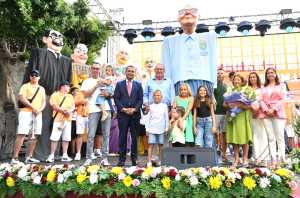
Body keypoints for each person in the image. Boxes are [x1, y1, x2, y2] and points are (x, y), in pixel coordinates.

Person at [23, 29, 72, 161]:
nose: (58, 39)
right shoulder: (38, 53)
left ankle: (54, 154)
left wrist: (69, 101)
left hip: (60, 98)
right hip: (42, 96)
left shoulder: (67, 60)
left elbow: (69, 81)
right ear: (45, 39)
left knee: (58, 126)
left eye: (60, 36)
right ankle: (39, 155)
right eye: (54, 35)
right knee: (40, 126)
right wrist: (27, 97)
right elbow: (30, 74)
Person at [162, 5, 217, 96]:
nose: (187, 13)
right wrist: (168, 87)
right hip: (180, 83)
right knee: (182, 109)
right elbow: (166, 65)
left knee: (203, 108)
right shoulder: (169, 41)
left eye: (193, 11)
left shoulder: (209, 38)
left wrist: (213, 87)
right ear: (178, 19)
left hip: (203, 82)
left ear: (199, 17)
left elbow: (213, 62)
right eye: (183, 12)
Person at [11, 69, 46, 164]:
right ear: (30, 76)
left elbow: (44, 102)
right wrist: (33, 108)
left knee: (34, 135)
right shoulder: (25, 86)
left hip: (37, 113)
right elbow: (21, 98)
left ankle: (29, 156)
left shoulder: (42, 88)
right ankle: (15, 158)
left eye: (36, 75)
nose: (34, 76)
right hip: (26, 112)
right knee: (22, 133)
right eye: (32, 75)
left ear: (39, 77)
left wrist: (39, 110)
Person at [81, 63, 110, 165]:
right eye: (93, 68)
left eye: (97, 68)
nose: (95, 70)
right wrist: (96, 85)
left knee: (106, 135)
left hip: (106, 109)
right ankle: (88, 158)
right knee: (91, 135)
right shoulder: (86, 81)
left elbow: (111, 94)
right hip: (93, 109)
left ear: (100, 70)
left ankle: (104, 158)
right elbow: (85, 95)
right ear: (91, 69)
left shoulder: (105, 80)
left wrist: (108, 93)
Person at [114, 65, 143, 166]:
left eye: (132, 71)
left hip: (135, 115)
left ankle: (134, 159)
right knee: (122, 137)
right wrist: (123, 109)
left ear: (134, 73)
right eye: (129, 71)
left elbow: (140, 99)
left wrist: (135, 109)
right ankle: (122, 160)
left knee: (134, 138)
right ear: (125, 73)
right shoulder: (119, 84)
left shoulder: (138, 85)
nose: (130, 73)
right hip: (123, 115)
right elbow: (116, 99)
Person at [224, 74, 253, 168]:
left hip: (242, 116)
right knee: (234, 139)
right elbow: (224, 104)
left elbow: (250, 105)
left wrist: (240, 105)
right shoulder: (230, 91)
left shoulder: (247, 91)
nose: (236, 81)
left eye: (238, 80)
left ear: (242, 81)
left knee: (244, 138)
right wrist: (229, 105)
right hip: (232, 117)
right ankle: (236, 159)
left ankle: (245, 158)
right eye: (235, 80)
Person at [260, 67, 286, 167]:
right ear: (266, 75)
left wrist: (273, 109)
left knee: (279, 137)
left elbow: (282, 99)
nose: (270, 74)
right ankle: (273, 159)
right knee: (271, 138)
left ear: (275, 74)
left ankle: (282, 159)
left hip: (278, 114)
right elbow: (261, 100)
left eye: (272, 72)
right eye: (268, 73)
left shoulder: (281, 86)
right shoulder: (263, 87)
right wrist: (266, 110)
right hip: (266, 114)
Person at [46, 81, 74, 163]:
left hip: (68, 119)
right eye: (68, 86)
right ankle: (51, 155)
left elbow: (73, 106)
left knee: (66, 138)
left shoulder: (70, 96)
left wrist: (69, 111)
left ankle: (65, 155)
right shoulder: (55, 95)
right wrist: (63, 111)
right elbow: (54, 106)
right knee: (55, 138)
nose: (69, 88)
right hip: (58, 119)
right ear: (63, 86)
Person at [248, 72, 269, 167]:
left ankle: (264, 157)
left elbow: (264, 101)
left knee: (262, 135)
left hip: (260, 114)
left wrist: (258, 110)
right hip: (250, 114)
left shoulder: (262, 89)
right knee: (254, 135)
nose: (252, 79)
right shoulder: (247, 90)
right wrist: (252, 110)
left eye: (254, 77)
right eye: (251, 77)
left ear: (257, 78)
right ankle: (256, 157)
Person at [145, 90, 169, 167]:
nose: (157, 97)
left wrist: (166, 128)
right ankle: (149, 161)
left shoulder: (164, 106)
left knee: (160, 145)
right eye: (155, 95)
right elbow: (148, 118)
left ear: (161, 97)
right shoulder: (150, 106)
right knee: (150, 145)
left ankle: (160, 160)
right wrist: (147, 129)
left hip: (161, 129)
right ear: (153, 97)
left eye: (159, 95)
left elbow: (166, 118)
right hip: (152, 129)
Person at [213, 68, 228, 162]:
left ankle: (224, 153)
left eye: (221, 73)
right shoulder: (213, 86)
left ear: (224, 75)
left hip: (225, 113)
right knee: (215, 133)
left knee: (224, 134)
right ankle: (216, 151)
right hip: (215, 113)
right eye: (218, 73)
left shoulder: (227, 86)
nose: (219, 75)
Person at [72, 86, 89, 161]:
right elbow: (74, 103)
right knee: (79, 134)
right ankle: (78, 153)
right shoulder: (79, 94)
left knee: (91, 134)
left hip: (90, 114)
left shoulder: (93, 93)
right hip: (80, 115)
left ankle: (90, 152)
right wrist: (82, 101)